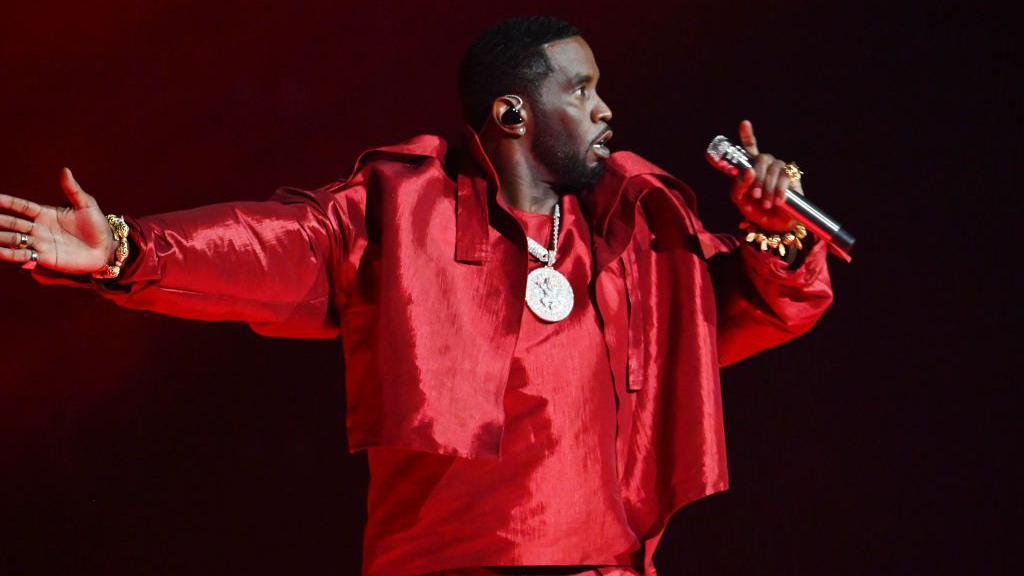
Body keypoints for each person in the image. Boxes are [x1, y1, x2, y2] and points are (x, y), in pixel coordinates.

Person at [0, 16, 833, 576]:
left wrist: (775, 231)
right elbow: (275, 244)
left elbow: (736, 309)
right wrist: (127, 247)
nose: (605, 108)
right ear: (512, 112)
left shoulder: (635, 227)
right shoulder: (407, 214)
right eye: (579, 90)